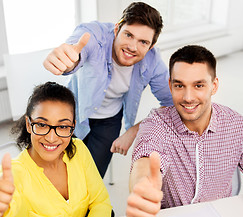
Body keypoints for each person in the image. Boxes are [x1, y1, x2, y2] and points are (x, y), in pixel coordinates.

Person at [126, 45, 243, 217]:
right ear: (170, 85)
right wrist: (143, 184)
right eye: (179, 85)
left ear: (214, 86)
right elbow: (144, 158)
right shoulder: (157, 123)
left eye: (198, 85)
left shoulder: (240, 128)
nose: (188, 97)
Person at [43, 2, 173, 178]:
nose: (132, 47)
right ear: (117, 29)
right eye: (128, 35)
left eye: (143, 42)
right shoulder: (95, 35)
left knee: (91, 179)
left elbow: (172, 104)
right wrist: (68, 61)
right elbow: (77, 50)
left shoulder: (153, 62)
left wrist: (134, 131)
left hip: (109, 121)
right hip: (72, 113)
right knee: (58, 174)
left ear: (151, 46)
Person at [0, 82, 112, 217]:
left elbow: (101, 203)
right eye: (41, 124)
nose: (51, 138)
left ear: (72, 127)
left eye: (62, 126)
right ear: (28, 124)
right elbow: (0, 213)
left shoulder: (78, 150)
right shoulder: (16, 172)